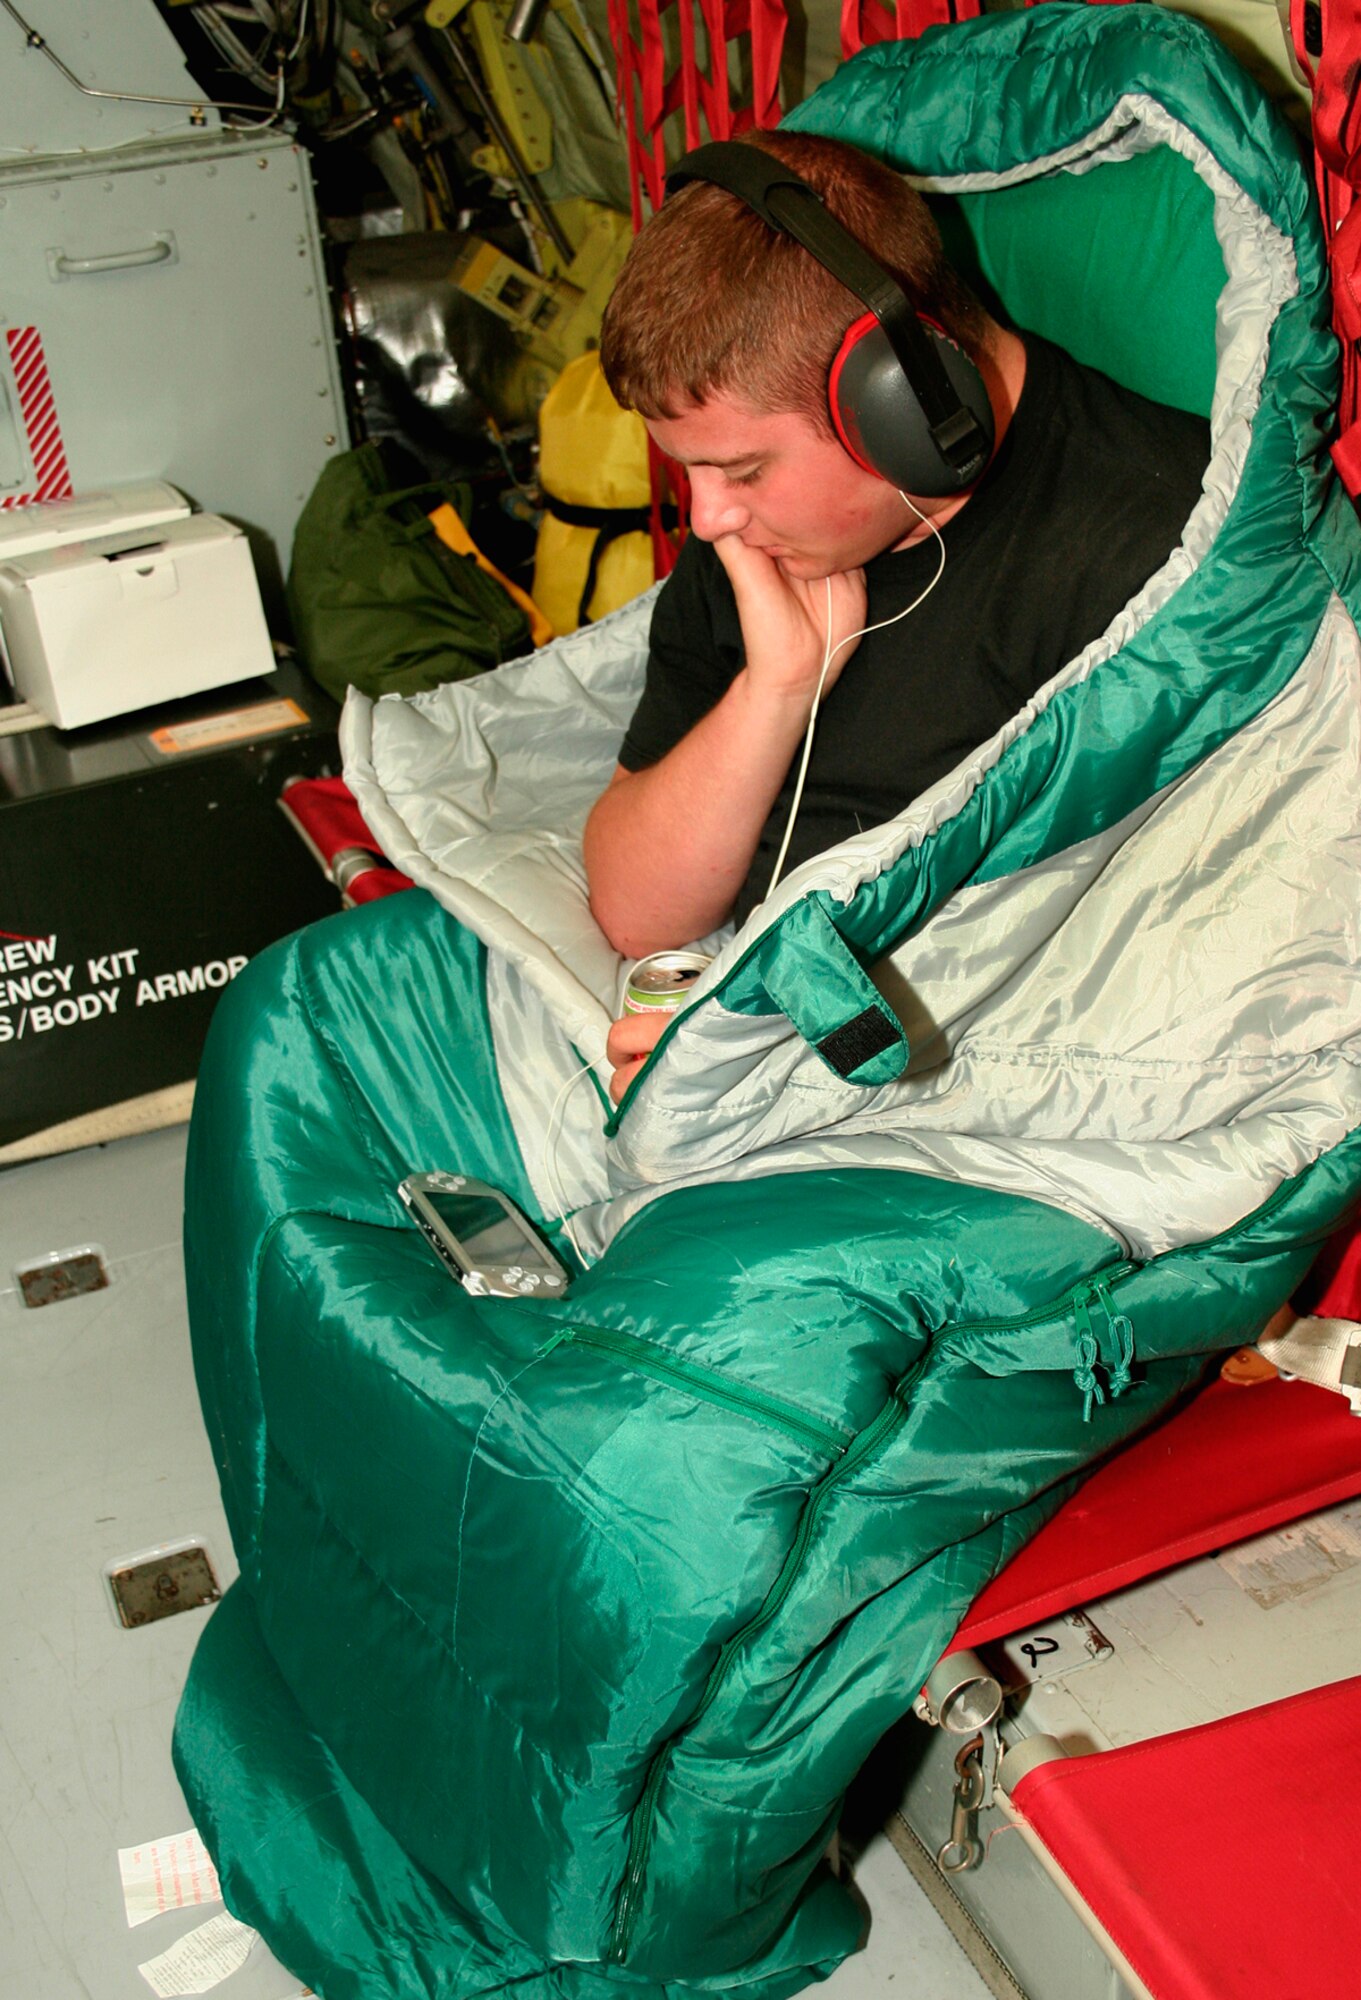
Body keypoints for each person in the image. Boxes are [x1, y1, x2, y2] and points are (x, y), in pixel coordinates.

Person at [584, 128, 1209, 1102]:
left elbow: (1128, 988)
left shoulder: (1151, 555)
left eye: (741, 470)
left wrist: (747, 1069)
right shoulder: (756, 534)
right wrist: (776, 688)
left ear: (903, 404)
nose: (705, 519)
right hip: (755, 1032)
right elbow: (634, 910)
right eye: (689, 471)